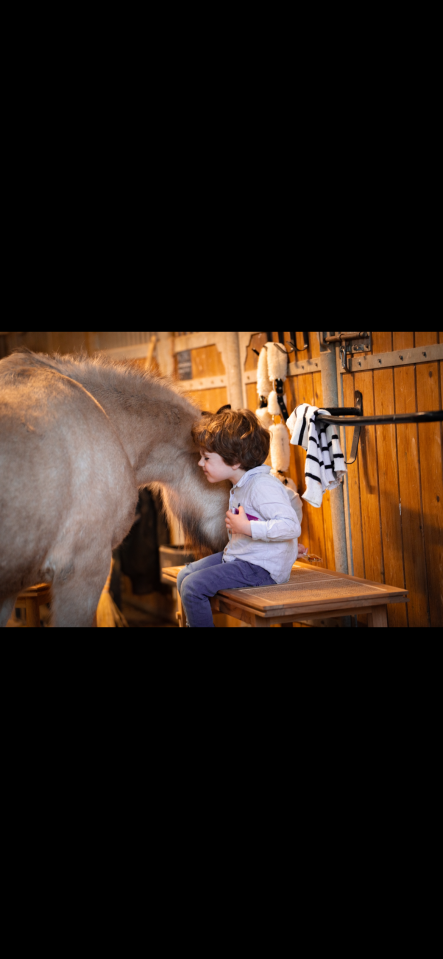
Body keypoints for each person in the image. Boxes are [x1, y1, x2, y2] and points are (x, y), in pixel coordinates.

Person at [177, 409, 304, 628]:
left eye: (206, 458)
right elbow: (282, 516)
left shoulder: (261, 485)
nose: (200, 463)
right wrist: (288, 546)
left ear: (234, 461)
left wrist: (250, 528)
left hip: (261, 568)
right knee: (184, 576)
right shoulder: (242, 484)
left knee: (192, 587)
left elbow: (291, 525)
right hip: (244, 557)